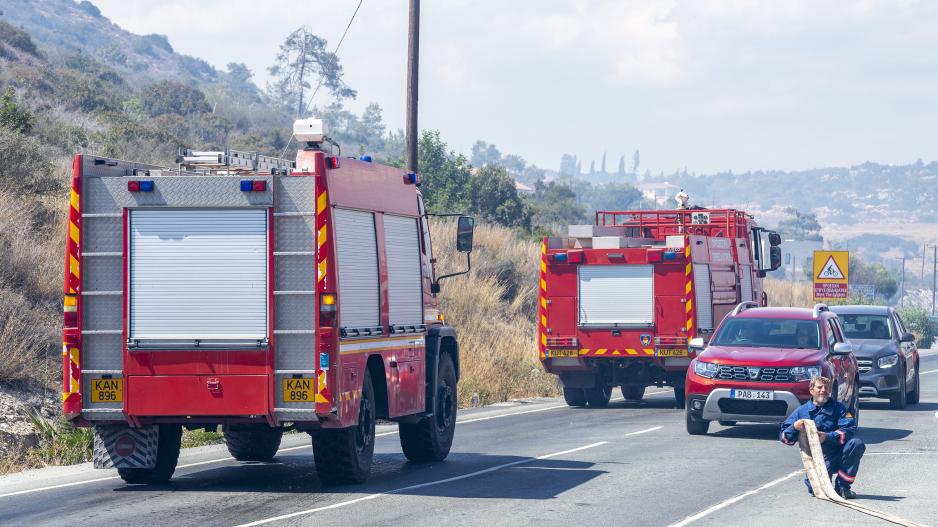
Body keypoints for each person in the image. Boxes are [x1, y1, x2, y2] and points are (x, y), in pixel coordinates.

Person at [780, 376, 865, 499]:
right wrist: (794, 427)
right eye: (819, 387)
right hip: (817, 458)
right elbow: (784, 437)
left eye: (826, 388)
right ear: (811, 390)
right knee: (817, 490)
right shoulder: (801, 411)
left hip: (838, 453)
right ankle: (820, 481)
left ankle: (843, 486)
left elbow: (849, 430)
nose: (823, 390)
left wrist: (827, 437)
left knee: (856, 444)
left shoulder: (840, 409)